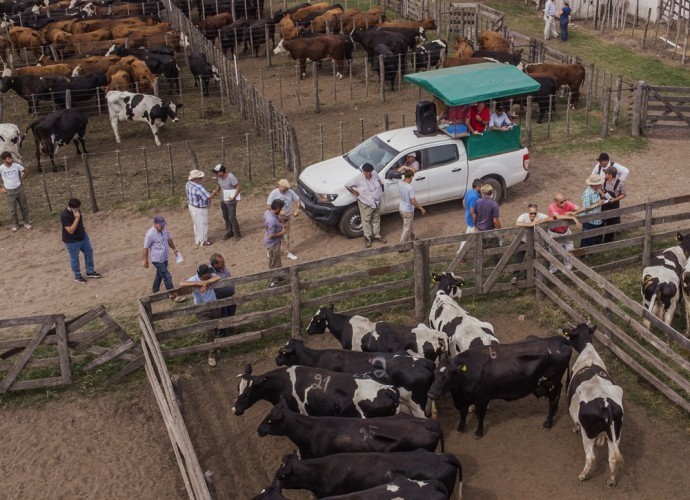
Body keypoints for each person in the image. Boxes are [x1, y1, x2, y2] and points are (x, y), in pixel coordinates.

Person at [180, 264, 222, 367]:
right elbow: (181, 283)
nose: (211, 273)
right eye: (208, 273)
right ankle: (211, 354)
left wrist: (206, 282)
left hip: (215, 307)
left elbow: (218, 277)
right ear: (203, 275)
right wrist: (198, 283)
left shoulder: (210, 276)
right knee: (210, 330)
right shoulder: (194, 279)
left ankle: (213, 347)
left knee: (216, 328)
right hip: (202, 310)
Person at [143, 214, 185, 302]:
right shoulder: (150, 234)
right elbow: (146, 248)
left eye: (164, 224)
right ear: (155, 224)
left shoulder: (164, 230)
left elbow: (169, 239)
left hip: (165, 257)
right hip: (157, 259)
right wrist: (145, 261)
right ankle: (173, 295)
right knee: (167, 276)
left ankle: (155, 290)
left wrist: (174, 248)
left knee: (159, 275)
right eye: (161, 225)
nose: (163, 226)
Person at [345, 163, 386, 248]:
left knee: (376, 218)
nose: (368, 174)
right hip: (365, 202)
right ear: (363, 171)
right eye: (366, 172)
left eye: (370, 172)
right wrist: (356, 194)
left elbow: (380, 181)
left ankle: (377, 235)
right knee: (366, 220)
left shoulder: (374, 173)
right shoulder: (358, 178)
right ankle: (368, 238)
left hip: (376, 201)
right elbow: (347, 185)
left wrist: (380, 191)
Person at [61, 198, 101, 284]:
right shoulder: (64, 216)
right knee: (74, 259)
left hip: (83, 237)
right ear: (72, 208)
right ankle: (77, 276)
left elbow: (80, 223)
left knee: (89, 251)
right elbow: (70, 230)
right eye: (77, 208)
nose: (78, 209)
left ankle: (90, 271)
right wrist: (76, 218)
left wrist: (83, 230)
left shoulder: (77, 211)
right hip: (72, 241)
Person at [512, 203, 550, 283]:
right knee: (519, 257)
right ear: (528, 212)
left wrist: (541, 221)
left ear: (537, 212)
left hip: (535, 242)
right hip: (524, 240)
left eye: (535, 213)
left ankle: (528, 277)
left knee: (531, 258)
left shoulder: (539, 216)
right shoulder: (523, 216)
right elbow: (517, 223)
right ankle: (515, 276)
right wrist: (530, 224)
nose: (533, 215)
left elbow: (550, 218)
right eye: (531, 213)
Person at [266, 179, 301, 260]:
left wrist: (297, 210)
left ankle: (287, 252)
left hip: (286, 220)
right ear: (280, 186)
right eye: (284, 189)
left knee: (286, 237)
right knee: (273, 236)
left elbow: (298, 200)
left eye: (287, 189)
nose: (286, 191)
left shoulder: (290, 192)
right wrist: (279, 211)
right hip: (276, 221)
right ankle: (270, 251)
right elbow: (268, 206)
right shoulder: (274, 193)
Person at [548, 193, 582, 273]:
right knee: (555, 251)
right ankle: (553, 270)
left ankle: (568, 268)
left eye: (564, 201)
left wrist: (573, 212)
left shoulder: (567, 204)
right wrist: (572, 217)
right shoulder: (552, 207)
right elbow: (558, 216)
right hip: (554, 233)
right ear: (555, 201)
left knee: (570, 249)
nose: (563, 203)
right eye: (561, 202)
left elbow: (579, 208)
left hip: (566, 231)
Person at [571, 174, 606, 248]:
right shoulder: (587, 194)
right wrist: (598, 204)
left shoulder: (596, 190)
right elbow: (586, 208)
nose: (601, 184)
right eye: (599, 183)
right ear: (595, 185)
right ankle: (584, 253)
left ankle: (591, 251)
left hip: (596, 217)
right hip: (589, 220)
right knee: (587, 238)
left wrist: (601, 196)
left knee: (593, 236)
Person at [0, 151, 31, 232]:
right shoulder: (1, 168)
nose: (11, 160)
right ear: (4, 160)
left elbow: (26, 171)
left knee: (24, 208)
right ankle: (15, 225)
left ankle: (26, 223)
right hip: (9, 192)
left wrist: (21, 179)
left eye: (11, 158)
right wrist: (1, 188)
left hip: (19, 189)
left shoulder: (16, 166)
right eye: (9, 159)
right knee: (13, 210)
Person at [210, 164, 241, 241]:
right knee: (225, 217)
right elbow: (219, 185)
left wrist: (234, 197)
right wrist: (214, 193)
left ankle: (237, 234)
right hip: (224, 199)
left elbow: (238, 188)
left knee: (232, 218)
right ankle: (230, 232)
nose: (216, 174)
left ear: (221, 172)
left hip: (231, 201)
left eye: (216, 172)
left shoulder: (230, 177)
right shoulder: (220, 178)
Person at [600, 166, 627, 243]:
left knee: (612, 223)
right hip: (604, 204)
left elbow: (624, 194)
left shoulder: (619, 183)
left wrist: (615, 199)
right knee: (601, 221)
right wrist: (602, 193)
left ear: (610, 175)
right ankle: (598, 239)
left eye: (606, 173)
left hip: (613, 205)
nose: (605, 174)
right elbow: (599, 188)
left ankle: (608, 241)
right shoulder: (604, 181)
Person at [398, 170, 425, 247]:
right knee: (406, 228)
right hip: (408, 210)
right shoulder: (410, 188)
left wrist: (403, 167)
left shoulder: (400, 183)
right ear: (410, 177)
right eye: (412, 178)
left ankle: (414, 239)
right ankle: (402, 246)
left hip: (401, 208)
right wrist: (421, 208)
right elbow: (413, 201)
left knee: (409, 225)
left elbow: (398, 172)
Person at [186, 169, 212, 247]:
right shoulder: (199, 187)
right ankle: (203, 241)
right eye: (200, 177)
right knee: (203, 224)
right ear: (195, 178)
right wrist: (214, 192)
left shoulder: (188, 184)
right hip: (199, 208)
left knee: (196, 223)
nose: (201, 178)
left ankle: (198, 239)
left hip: (191, 205)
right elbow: (209, 196)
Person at [457, 178, 483, 255]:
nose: (482, 188)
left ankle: (460, 252)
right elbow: (472, 211)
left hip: (468, 218)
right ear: (478, 186)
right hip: (473, 221)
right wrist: (476, 224)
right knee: (472, 238)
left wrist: (466, 211)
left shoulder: (469, 192)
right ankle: (462, 254)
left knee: (467, 237)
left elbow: (463, 201)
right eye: (482, 186)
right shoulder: (475, 197)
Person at [473, 183, 501, 254]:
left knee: (480, 249)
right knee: (495, 249)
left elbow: (474, 215)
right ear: (491, 193)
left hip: (480, 230)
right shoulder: (494, 204)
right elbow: (495, 221)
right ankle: (498, 263)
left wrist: (475, 225)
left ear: (482, 193)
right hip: (489, 230)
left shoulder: (477, 202)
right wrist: (500, 230)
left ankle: (480, 264)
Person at [264, 198, 286, 288]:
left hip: (275, 242)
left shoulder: (267, 212)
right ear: (277, 209)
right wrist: (282, 232)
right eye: (280, 209)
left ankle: (279, 275)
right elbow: (271, 235)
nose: (281, 211)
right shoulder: (271, 221)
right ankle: (272, 281)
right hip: (273, 244)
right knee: (273, 262)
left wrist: (279, 223)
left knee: (277, 260)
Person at [210, 252, 237, 319]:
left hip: (230, 296)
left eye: (223, 261)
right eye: (221, 262)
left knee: (231, 313)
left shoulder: (223, 267)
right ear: (215, 264)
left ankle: (231, 327)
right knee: (223, 315)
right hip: (220, 299)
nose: (224, 263)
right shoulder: (211, 272)